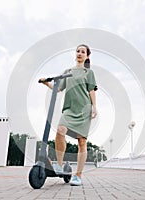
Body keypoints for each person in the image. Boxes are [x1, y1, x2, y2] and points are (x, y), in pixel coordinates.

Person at [41, 44, 97, 186]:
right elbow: (58, 88)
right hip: (69, 110)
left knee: (82, 142)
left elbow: (91, 91)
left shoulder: (88, 73)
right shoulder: (68, 71)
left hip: (84, 110)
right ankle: (59, 165)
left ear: (87, 56)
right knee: (60, 131)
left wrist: (94, 107)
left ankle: (78, 175)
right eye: (78, 51)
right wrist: (46, 84)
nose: (79, 53)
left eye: (82, 52)